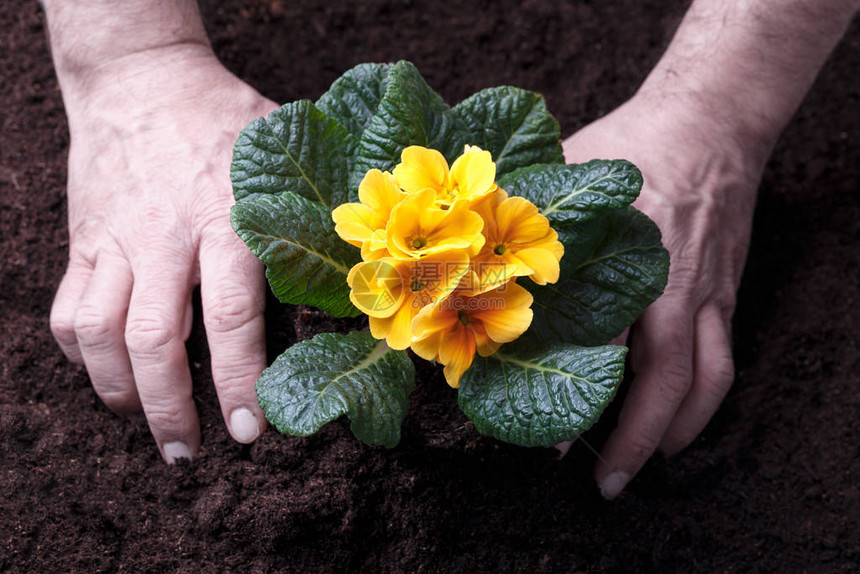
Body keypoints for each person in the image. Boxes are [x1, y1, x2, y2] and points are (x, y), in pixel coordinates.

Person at [42, 0, 857, 498]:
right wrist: (131, 58)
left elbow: (516, 180)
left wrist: (719, 112)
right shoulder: (404, 268)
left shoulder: (464, 281)